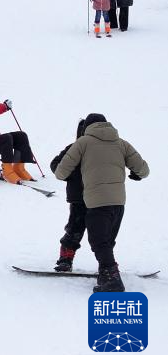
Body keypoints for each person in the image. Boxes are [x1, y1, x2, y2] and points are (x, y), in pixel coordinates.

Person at [55, 113, 149, 292]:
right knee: (106, 240)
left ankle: (110, 277)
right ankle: (106, 272)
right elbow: (143, 170)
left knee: (99, 241)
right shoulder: (121, 143)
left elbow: (60, 172)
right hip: (118, 201)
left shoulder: (82, 143)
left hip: (96, 201)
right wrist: (136, 174)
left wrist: (74, 173)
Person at [50, 119, 88, 272]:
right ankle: (65, 259)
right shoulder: (73, 149)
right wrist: (71, 176)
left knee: (100, 232)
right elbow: (55, 164)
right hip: (79, 197)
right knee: (74, 229)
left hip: (97, 197)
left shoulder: (101, 150)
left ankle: (106, 262)